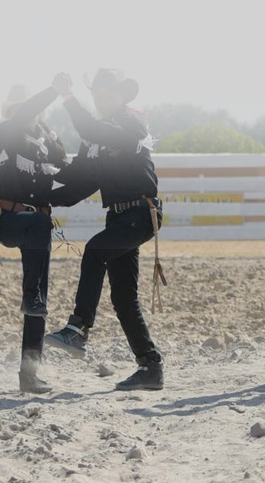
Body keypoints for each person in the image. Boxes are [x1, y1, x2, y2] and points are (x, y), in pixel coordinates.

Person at [42, 69, 165, 391]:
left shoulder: (131, 122)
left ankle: (78, 328)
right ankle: (150, 366)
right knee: (124, 299)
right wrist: (41, 193)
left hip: (140, 214)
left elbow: (89, 128)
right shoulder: (96, 138)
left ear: (122, 97)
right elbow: (80, 181)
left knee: (96, 251)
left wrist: (67, 97)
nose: (101, 100)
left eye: (107, 95)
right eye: (97, 95)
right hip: (120, 218)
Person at [0, 83, 66, 393]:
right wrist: (54, 91)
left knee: (39, 300)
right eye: (18, 108)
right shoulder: (5, 132)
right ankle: (31, 296)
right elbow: (23, 116)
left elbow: (64, 166)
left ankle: (30, 373)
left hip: (38, 224)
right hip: (11, 219)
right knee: (35, 292)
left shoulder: (47, 141)